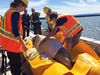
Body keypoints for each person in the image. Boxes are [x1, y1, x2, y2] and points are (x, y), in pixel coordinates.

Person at [0, 0, 29, 75]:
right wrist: (24, 45)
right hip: (13, 45)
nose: (24, 9)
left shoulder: (8, 12)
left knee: (13, 63)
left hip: (7, 44)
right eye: (24, 7)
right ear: (20, 4)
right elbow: (15, 31)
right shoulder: (15, 13)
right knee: (17, 64)